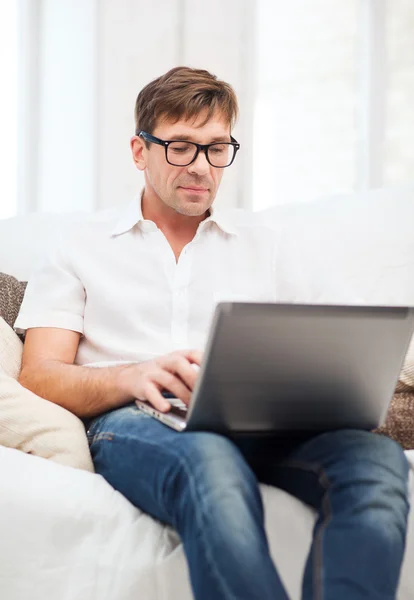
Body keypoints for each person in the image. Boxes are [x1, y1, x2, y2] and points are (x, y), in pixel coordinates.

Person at [15, 66, 409, 600]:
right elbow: (39, 376)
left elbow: (351, 341)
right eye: (181, 147)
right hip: (136, 420)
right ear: (139, 150)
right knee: (211, 464)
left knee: (378, 464)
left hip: (265, 423)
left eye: (217, 148)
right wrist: (134, 375)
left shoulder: (271, 243)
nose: (201, 167)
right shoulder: (79, 245)